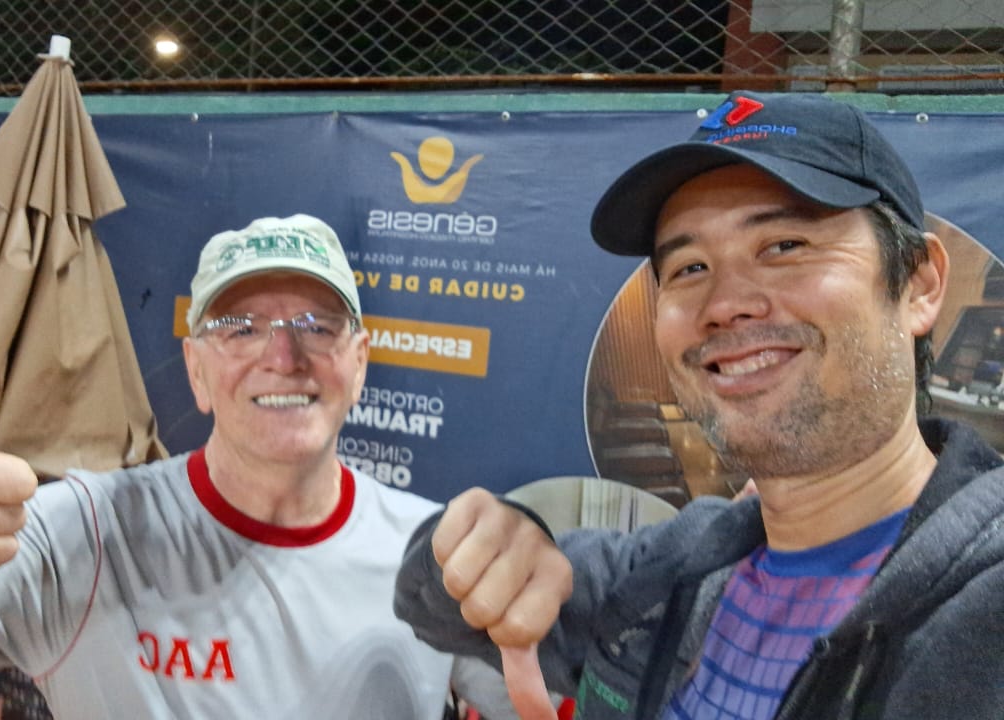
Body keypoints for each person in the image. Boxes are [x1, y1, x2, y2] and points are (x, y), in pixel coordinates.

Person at [394, 91, 1004, 720]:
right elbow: (427, 602)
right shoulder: (673, 570)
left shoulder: (981, 609)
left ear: (919, 283)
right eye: (689, 267)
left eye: (785, 246)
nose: (725, 303)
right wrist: (490, 544)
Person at [0, 214, 515, 718]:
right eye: (240, 328)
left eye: (316, 325)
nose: (283, 355)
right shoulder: (83, 535)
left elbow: (540, 699)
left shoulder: (437, 550)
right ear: (195, 371)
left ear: (359, 362)